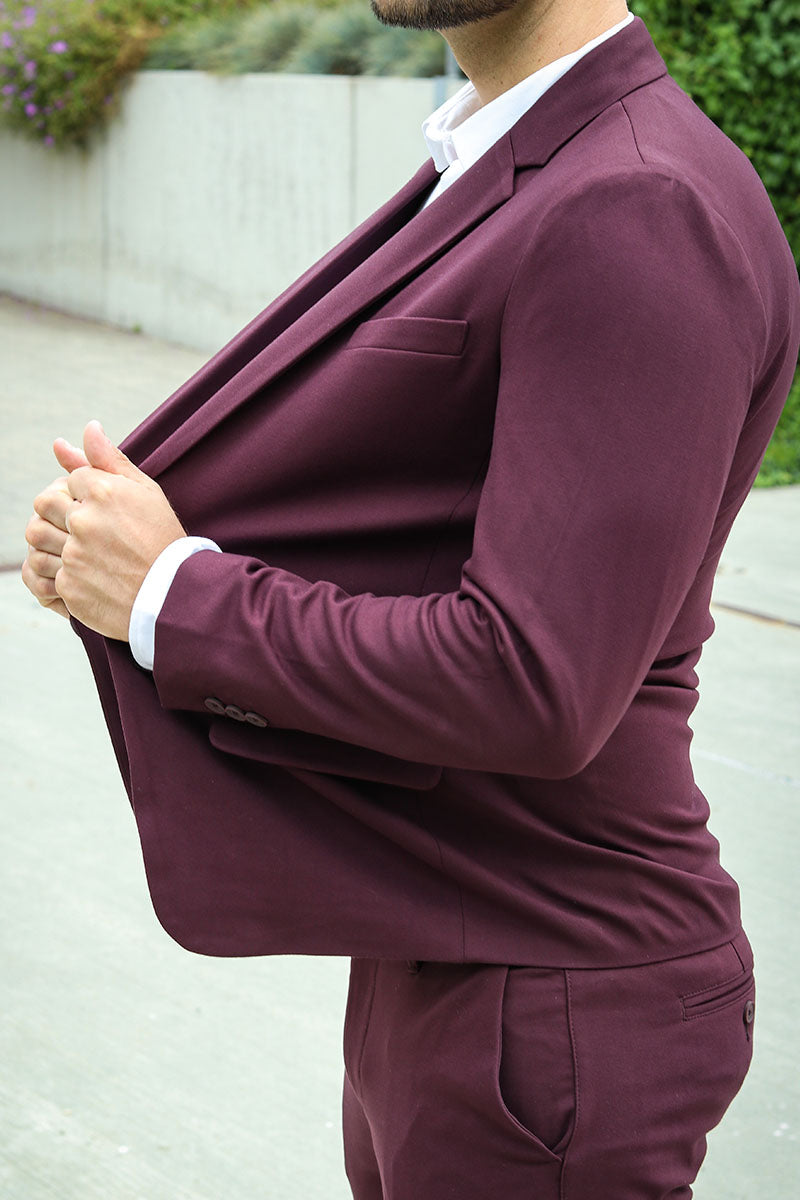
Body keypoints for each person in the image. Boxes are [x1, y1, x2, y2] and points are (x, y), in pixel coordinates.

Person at [22, 1, 799, 1196]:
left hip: (552, 987)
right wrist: (119, 553)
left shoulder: (636, 204)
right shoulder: (516, 157)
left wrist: (171, 593)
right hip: (449, 940)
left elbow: (533, 679)